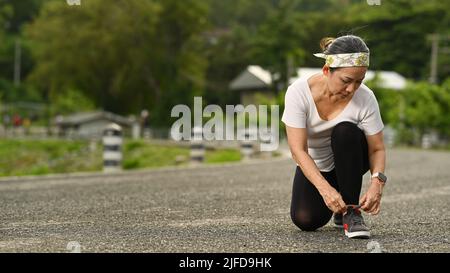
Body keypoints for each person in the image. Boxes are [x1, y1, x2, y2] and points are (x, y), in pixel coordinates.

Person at [281, 35, 387, 239]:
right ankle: (340, 208)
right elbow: (298, 150)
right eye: (346, 81)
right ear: (327, 70)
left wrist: (377, 183)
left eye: (359, 81)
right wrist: (325, 190)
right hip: (319, 164)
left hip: (352, 158)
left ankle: (351, 211)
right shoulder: (298, 92)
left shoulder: (365, 97)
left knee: (345, 130)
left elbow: (377, 149)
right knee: (305, 219)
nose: (352, 89)